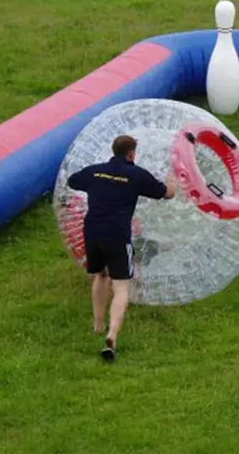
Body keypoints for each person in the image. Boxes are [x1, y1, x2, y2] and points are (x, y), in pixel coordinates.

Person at [67, 134, 176, 361]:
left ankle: (98, 324)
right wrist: (173, 180)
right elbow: (165, 193)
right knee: (122, 286)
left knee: (100, 276)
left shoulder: (96, 170)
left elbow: (73, 181)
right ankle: (112, 337)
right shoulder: (136, 175)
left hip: (92, 230)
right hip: (117, 233)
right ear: (131, 154)